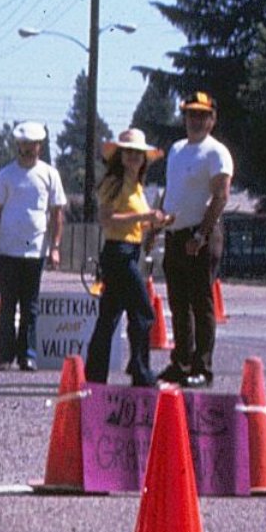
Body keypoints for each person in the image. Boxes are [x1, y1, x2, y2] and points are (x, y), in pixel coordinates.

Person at [156, 91, 234, 388]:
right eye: (191, 114)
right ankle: (181, 361)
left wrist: (201, 234)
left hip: (200, 234)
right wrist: (157, 226)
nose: (196, 120)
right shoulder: (176, 149)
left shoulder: (216, 152)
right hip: (175, 233)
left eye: (202, 115)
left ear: (212, 119)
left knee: (200, 301)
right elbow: (170, 192)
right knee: (178, 301)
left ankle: (203, 366)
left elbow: (221, 195)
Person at [85, 129, 173, 386]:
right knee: (143, 311)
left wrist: (157, 222)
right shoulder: (115, 182)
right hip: (118, 253)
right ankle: (140, 371)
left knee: (111, 314)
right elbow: (106, 219)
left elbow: (132, 223)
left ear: (145, 159)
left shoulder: (136, 186)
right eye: (130, 152)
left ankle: (96, 375)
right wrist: (144, 218)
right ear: (121, 156)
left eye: (138, 154)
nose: (134, 157)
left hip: (129, 251)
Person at [0, 121, 66, 372]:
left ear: (40, 147)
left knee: (31, 306)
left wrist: (54, 247)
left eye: (32, 145)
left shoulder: (50, 174)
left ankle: (28, 355)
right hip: (7, 250)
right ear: (17, 145)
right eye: (23, 145)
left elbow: (57, 213)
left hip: (35, 250)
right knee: (7, 305)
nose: (27, 150)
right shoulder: (6, 175)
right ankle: (4, 356)